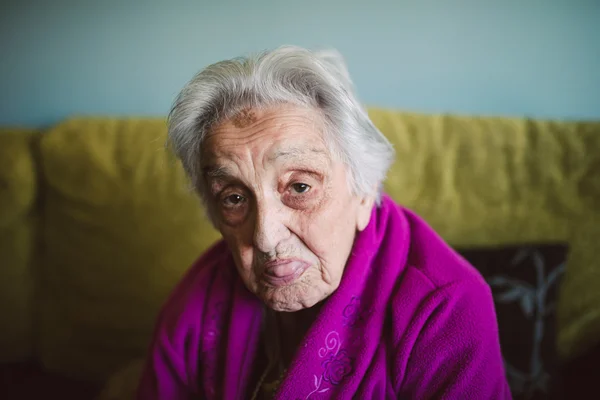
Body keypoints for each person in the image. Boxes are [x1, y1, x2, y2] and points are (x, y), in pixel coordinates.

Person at [137, 46, 511, 399]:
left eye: (299, 187)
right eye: (234, 198)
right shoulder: (197, 299)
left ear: (364, 192)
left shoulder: (444, 308)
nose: (266, 237)